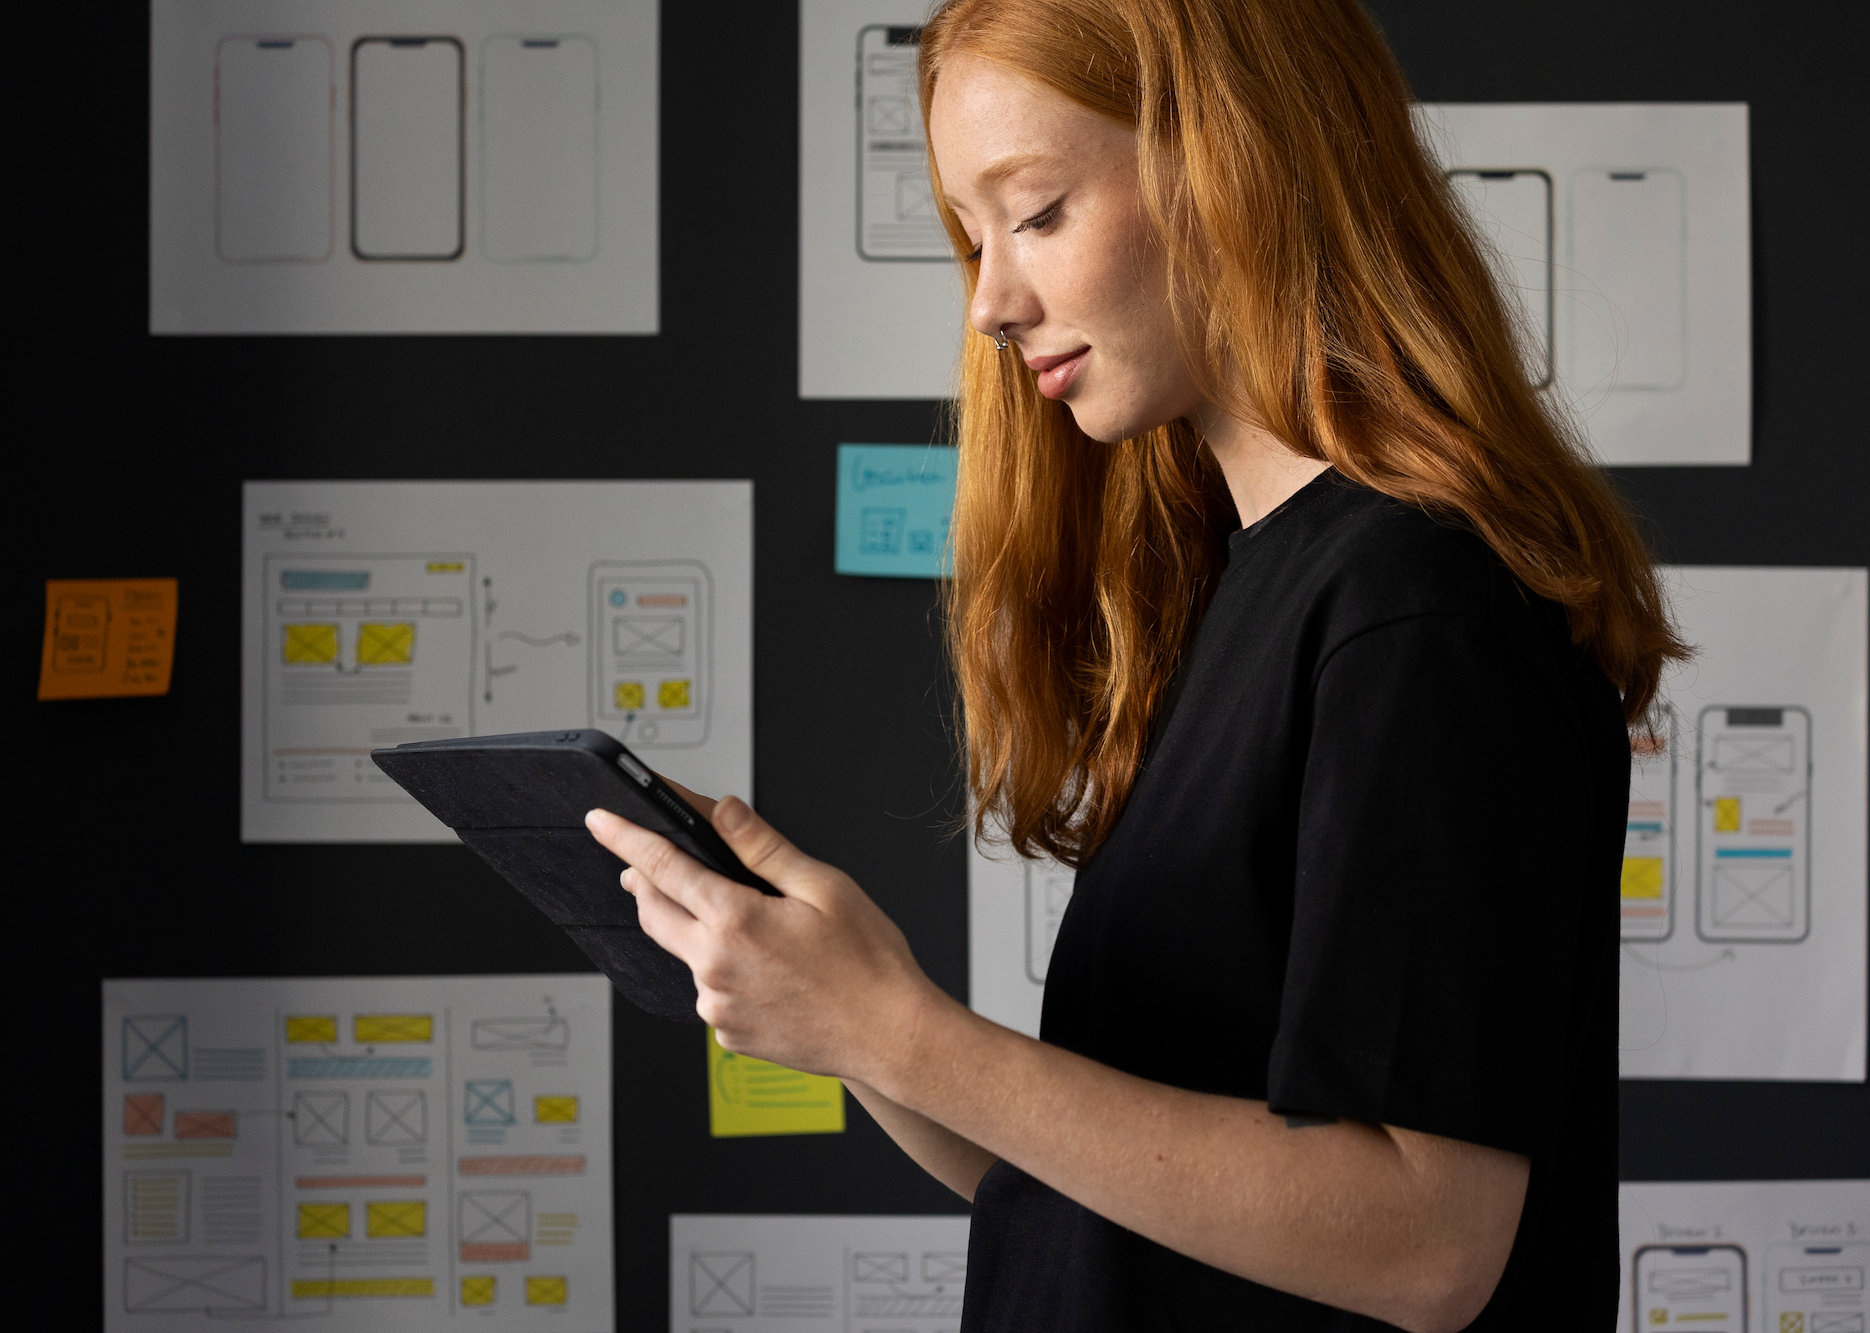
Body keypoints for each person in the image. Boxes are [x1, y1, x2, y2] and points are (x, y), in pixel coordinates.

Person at [587, 0, 1684, 1328]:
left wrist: (897, 1031)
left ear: (1241, 160)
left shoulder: (1414, 608)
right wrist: (847, 1009)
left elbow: (1424, 1240)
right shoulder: (1234, 588)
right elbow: (1078, 1188)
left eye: (1037, 211)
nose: (990, 300)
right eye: (970, 237)